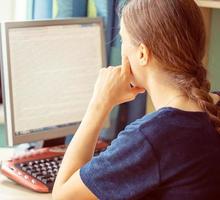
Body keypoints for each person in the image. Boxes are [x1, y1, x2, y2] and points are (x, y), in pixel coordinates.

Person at [52, 0, 220, 199]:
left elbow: (63, 196)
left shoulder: (152, 137)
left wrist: (99, 103)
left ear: (142, 53)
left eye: (123, 40)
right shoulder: (210, 109)